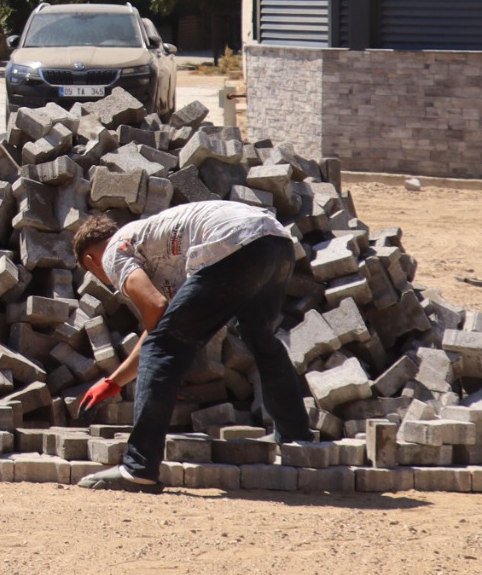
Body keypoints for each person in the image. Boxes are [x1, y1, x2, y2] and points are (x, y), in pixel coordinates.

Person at [70, 203, 319, 493]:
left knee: (162, 349)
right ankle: (296, 440)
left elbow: (156, 316)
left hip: (231, 244)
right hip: (275, 242)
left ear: (91, 261)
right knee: (260, 338)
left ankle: (138, 468)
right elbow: (164, 324)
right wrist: (115, 382)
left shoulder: (114, 251)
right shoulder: (157, 245)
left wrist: (161, 369)